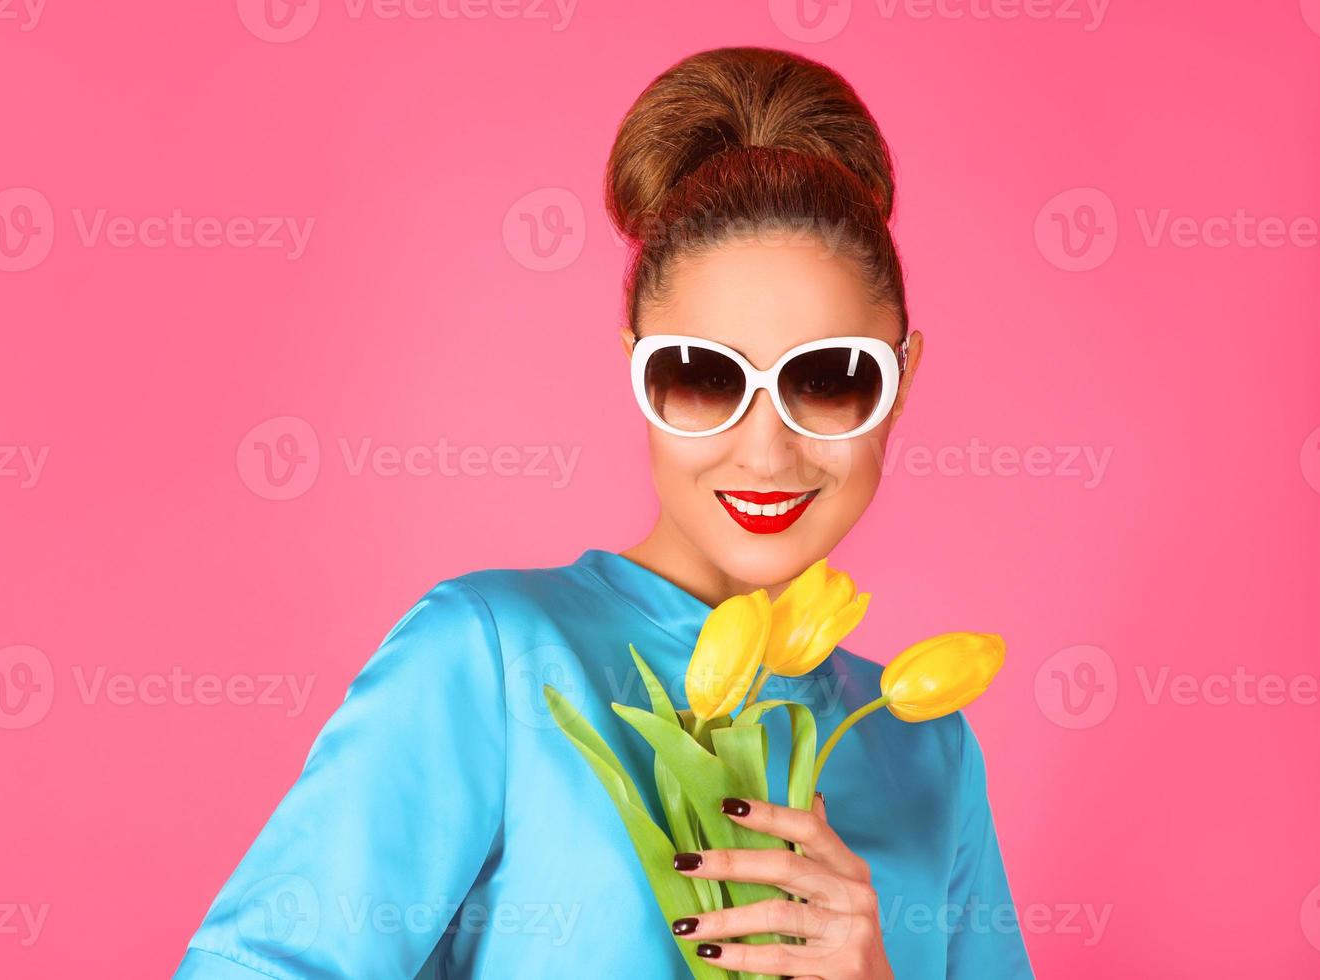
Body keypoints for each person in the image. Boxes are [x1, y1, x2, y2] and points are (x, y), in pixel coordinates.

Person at [174, 45, 1034, 979]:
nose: (765, 449)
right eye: (703, 378)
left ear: (901, 383)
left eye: (828, 380)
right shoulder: (494, 659)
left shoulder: (926, 748)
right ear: (638, 371)